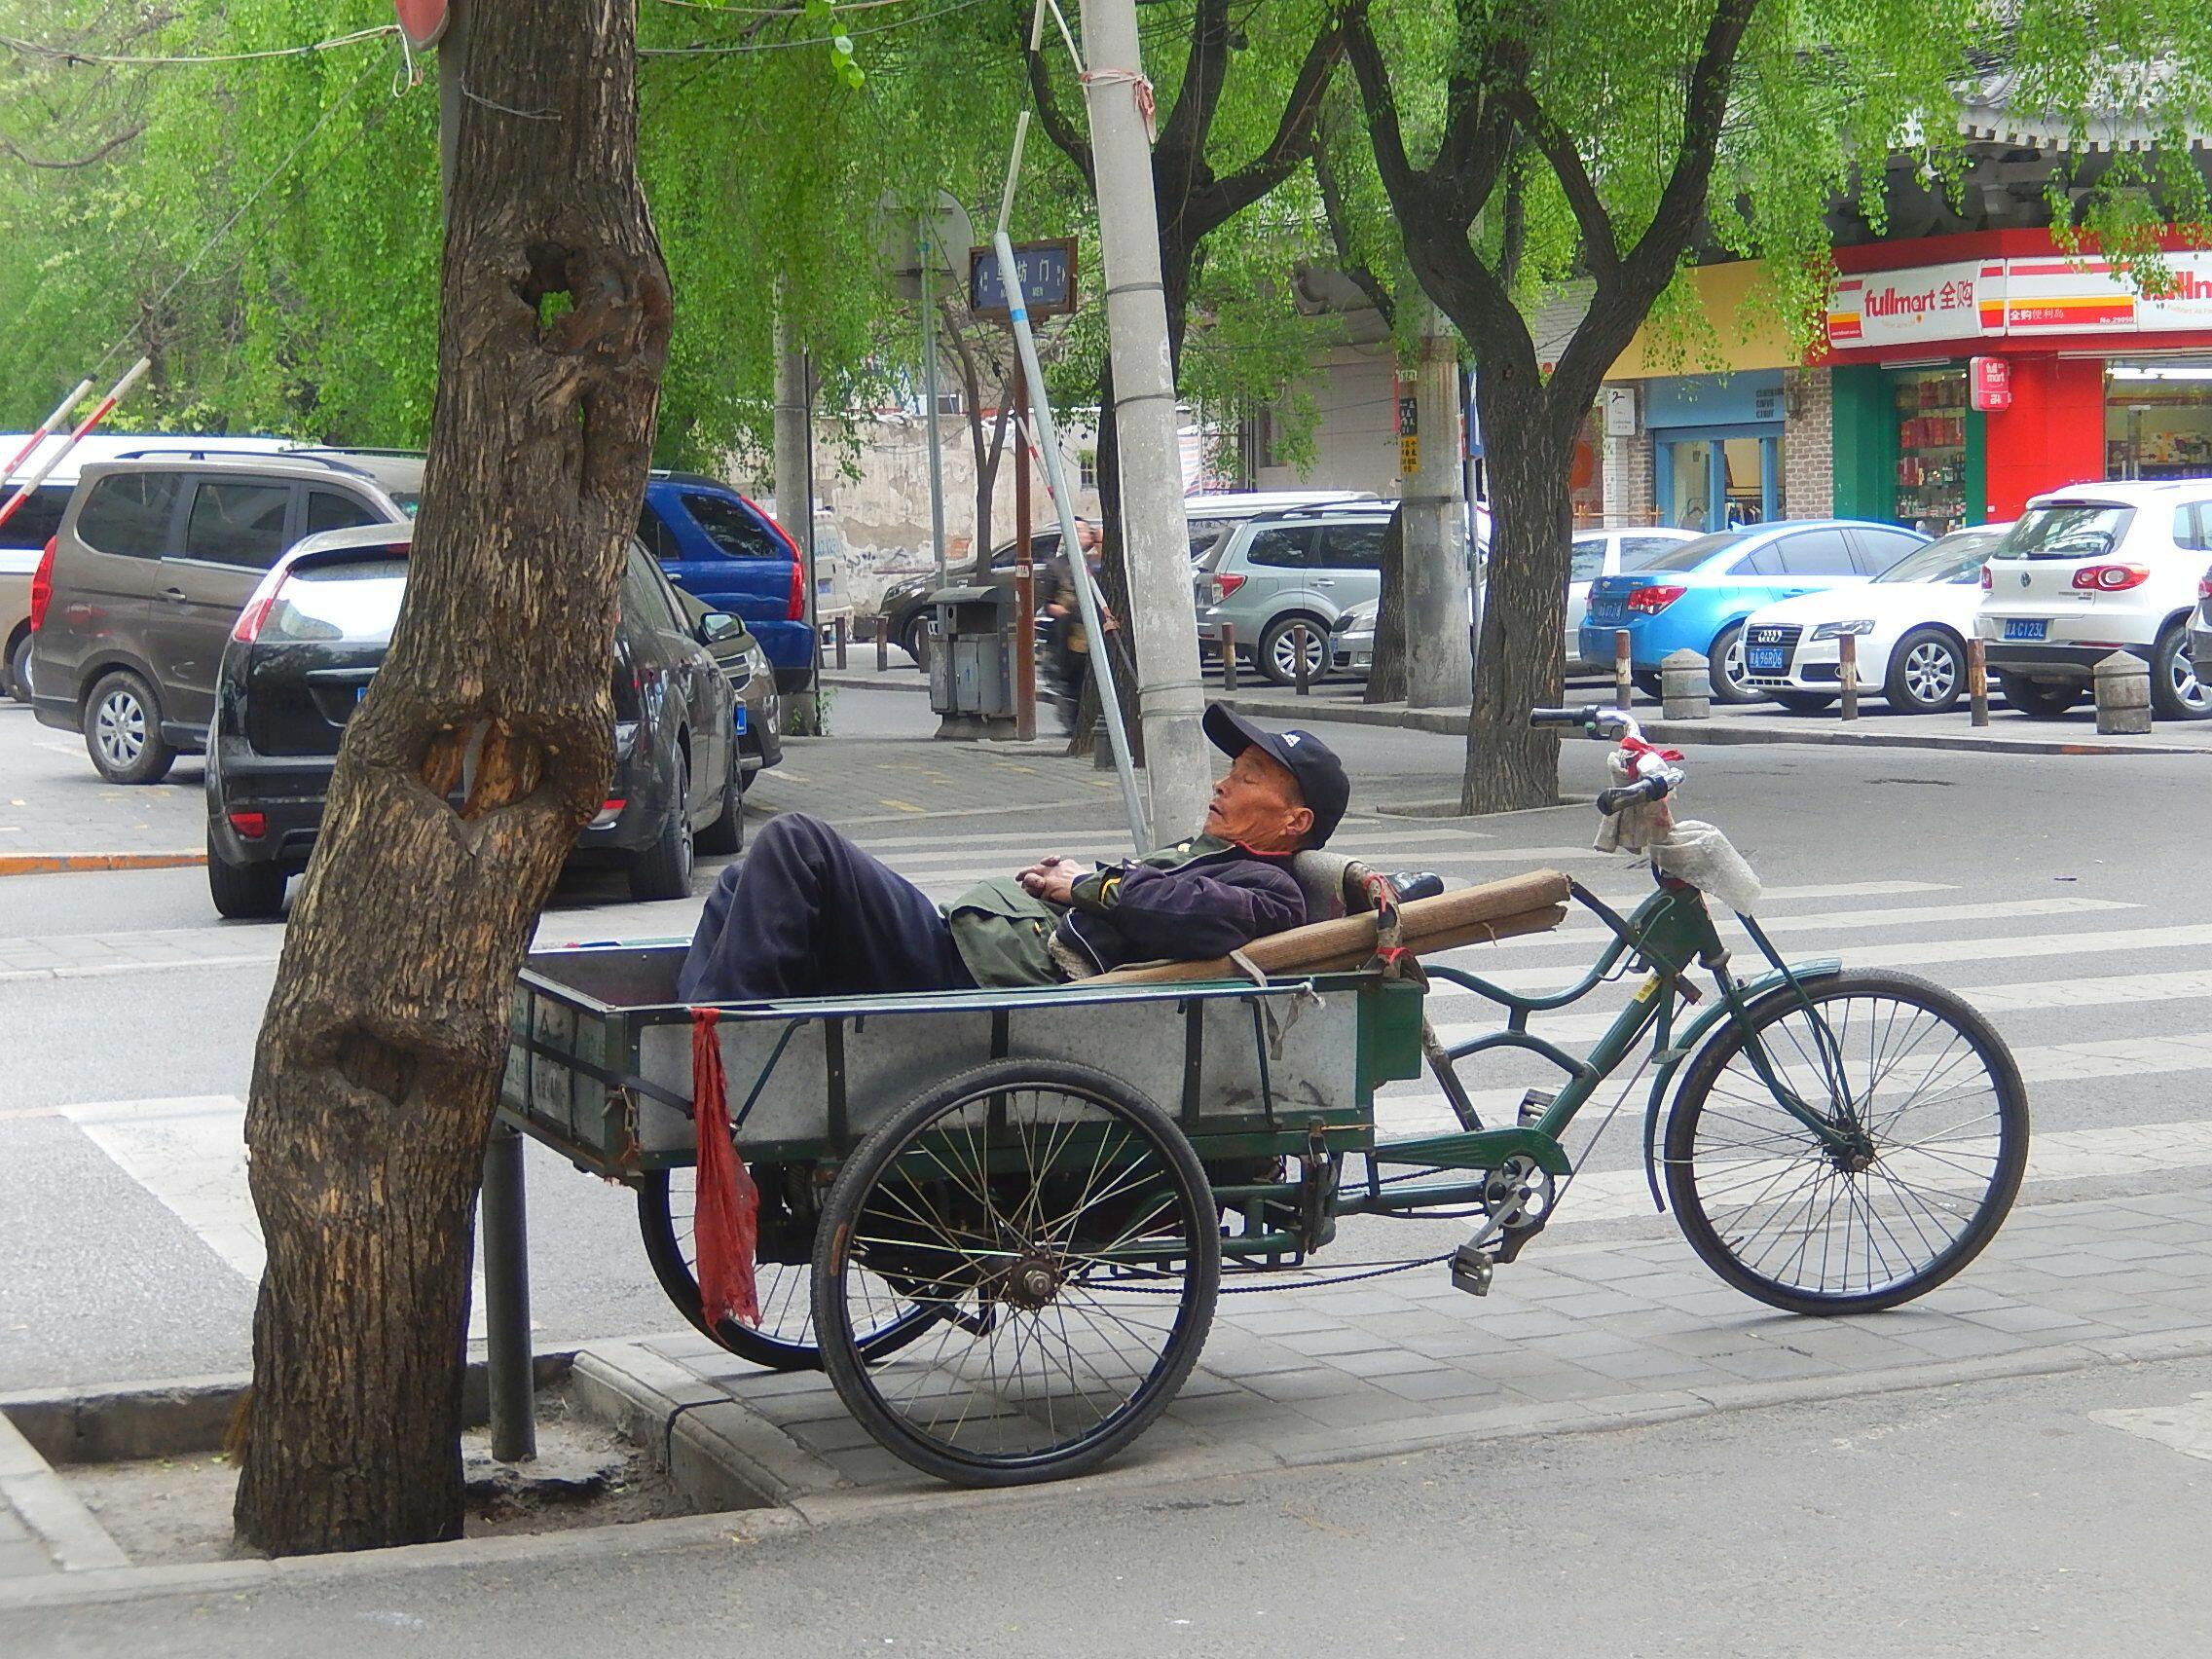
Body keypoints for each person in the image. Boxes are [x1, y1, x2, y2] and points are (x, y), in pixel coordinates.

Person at [674, 706, 1350, 1003]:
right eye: (1232, 768)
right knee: (741, 882)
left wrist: (1086, 883)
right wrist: (1069, 882)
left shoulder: (1274, 893)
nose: (1223, 782)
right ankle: (694, 1036)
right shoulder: (1211, 854)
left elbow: (1196, 917)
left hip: (991, 991)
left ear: (1296, 821)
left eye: (1250, 775)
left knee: (798, 843)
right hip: (971, 953)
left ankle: (724, 1044)